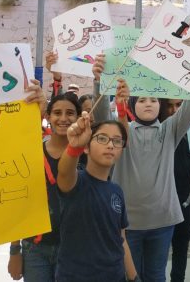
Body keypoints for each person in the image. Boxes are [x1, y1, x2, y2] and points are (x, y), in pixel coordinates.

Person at [111, 80, 190, 282]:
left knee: (156, 275)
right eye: (142, 100)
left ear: (161, 105)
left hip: (162, 221)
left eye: (153, 100)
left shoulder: (170, 130)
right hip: (127, 224)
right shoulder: (121, 132)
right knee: (130, 276)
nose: (148, 103)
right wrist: (99, 81)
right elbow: (100, 117)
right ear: (133, 104)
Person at [56, 111, 138, 282]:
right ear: (86, 147)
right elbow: (64, 172)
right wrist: (74, 147)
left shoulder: (117, 191)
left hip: (115, 276)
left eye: (117, 141)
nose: (110, 145)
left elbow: (121, 239)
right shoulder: (76, 182)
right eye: (102, 138)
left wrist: (134, 277)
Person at [8, 85, 71, 282]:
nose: (63, 118)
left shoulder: (87, 155)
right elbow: (19, 201)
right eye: (57, 113)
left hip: (73, 248)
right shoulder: (31, 152)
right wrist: (14, 250)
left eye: (70, 113)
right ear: (48, 117)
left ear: (79, 118)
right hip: (34, 248)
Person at [159, 99, 190, 282]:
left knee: (180, 251)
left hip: (184, 203)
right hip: (160, 206)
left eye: (178, 105)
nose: (174, 110)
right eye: (169, 105)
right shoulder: (157, 135)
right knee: (157, 256)